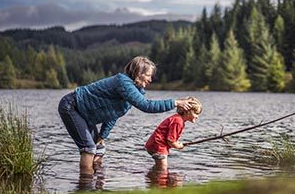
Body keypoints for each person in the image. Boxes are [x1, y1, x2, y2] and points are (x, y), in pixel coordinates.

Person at [58, 56, 194, 175]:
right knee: (89, 148)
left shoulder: (136, 90)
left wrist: (102, 136)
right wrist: (175, 102)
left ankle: (96, 181)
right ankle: (85, 185)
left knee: (99, 148)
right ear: (138, 72)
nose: (150, 79)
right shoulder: (122, 82)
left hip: (84, 112)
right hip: (72, 106)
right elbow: (146, 106)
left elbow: (113, 114)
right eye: (148, 75)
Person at [145, 96, 202, 170]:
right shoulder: (178, 121)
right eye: (196, 113)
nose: (197, 116)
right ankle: (156, 180)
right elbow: (170, 141)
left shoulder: (177, 119)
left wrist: (176, 143)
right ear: (187, 111)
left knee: (159, 168)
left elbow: (170, 138)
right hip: (158, 146)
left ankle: (152, 176)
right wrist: (179, 146)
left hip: (155, 145)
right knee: (163, 169)